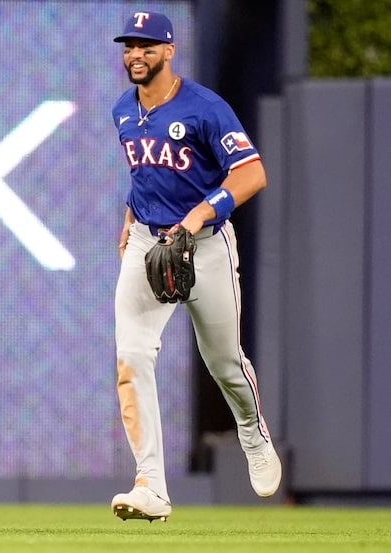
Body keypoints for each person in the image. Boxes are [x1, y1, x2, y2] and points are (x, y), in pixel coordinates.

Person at [109, 12, 282, 521]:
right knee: (131, 359)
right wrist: (129, 217)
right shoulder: (124, 108)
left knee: (224, 361)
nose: (135, 55)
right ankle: (151, 486)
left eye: (145, 46)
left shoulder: (205, 107)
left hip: (204, 245)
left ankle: (251, 432)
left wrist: (201, 213)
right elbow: (146, 173)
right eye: (129, 47)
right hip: (147, 242)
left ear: (168, 50)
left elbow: (252, 173)